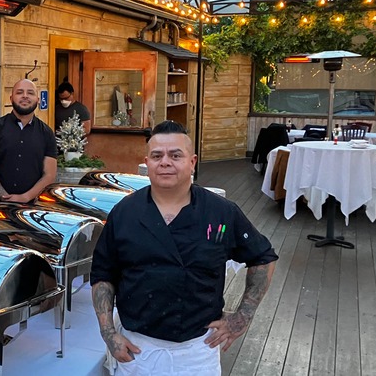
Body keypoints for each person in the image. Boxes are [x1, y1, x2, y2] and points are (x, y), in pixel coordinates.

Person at [90, 120, 278, 375]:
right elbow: (103, 274)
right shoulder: (124, 212)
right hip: (137, 350)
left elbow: (262, 257)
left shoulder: (221, 212)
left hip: (197, 351)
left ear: (192, 161)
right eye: (157, 156)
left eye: (175, 155)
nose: (165, 162)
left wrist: (242, 317)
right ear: (147, 163)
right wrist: (108, 333)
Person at [0, 79, 57, 206]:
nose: (25, 96)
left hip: (32, 207)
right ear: (11, 98)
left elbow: (49, 175)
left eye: (30, 93)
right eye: (20, 92)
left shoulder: (47, 133)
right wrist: (4, 197)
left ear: (37, 99)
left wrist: (26, 197)